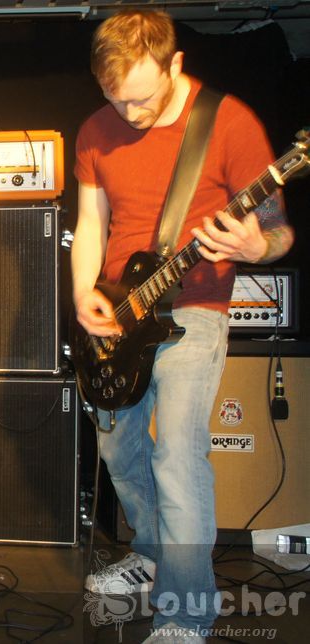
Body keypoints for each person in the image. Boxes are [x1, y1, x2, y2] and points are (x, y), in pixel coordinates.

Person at [72, 10, 292, 643]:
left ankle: (187, 613)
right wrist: (84, 293)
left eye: (142, 98)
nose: (131, 113)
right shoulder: (95, 130)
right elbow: (91, 224)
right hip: (120, 313)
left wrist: (257, 247)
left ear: (175, 64)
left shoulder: (228, 121)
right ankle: (150, 554)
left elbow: (278, 230)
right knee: (120, 451)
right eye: (116, 99)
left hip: (195, 309)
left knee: (176, 453)